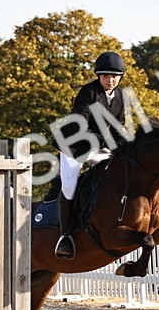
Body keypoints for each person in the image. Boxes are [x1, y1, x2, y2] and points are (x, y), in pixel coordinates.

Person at [54, 51, 130, 259]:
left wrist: (127, 145)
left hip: (99, 147)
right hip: (75, 147)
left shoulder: (121, 96)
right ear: (98, 76)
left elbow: (118, 126)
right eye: (106, 76)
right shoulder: (88, 93)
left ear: (120, 77)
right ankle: (65, 236)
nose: (110, 80)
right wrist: (107, 140)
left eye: (114, 76)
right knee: (69, 188)